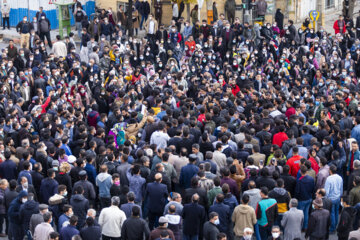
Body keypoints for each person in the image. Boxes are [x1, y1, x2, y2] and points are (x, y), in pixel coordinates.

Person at [324, 165, 343, 232]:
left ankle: (332, 228)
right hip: (337, 197)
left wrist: (325, 198)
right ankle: (335, 226)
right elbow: (341, 188)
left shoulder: (329, 179)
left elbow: (327, 191)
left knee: (332, 213)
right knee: (336, 212)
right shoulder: (340, 177)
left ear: (330, 171)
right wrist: (340, 196)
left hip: (331, 199)